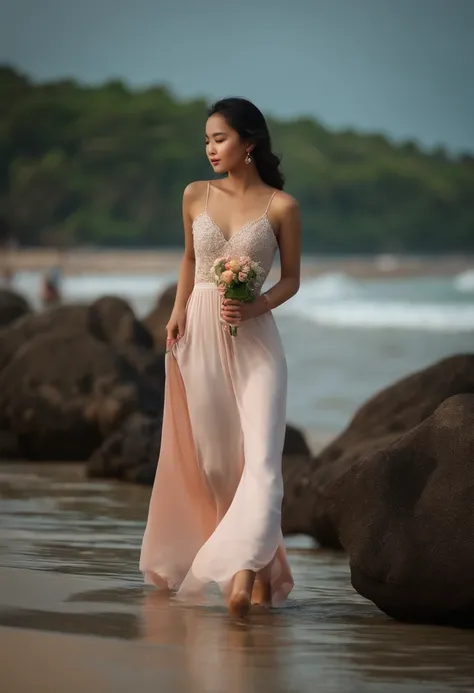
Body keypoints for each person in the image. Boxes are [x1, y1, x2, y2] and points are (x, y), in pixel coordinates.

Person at [140, 97, 302, 618]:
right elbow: (189, 258)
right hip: (201, 334)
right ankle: (255, 575)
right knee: (216, 466)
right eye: (207, 139)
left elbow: (293, 278)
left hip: (257, 341)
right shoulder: (194, 195)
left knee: (262, 463)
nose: (210, 148)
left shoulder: (282, 206)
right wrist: (176, 311)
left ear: (248, 143)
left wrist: (259, 304)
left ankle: (240, 582)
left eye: (220, 138)